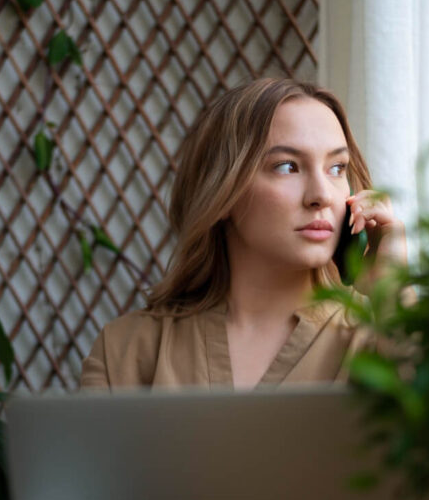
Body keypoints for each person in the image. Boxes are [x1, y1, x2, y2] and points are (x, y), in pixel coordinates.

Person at [80, 78, 406, 390]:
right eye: (287, 166)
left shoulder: (379, 339)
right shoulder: (124, 351)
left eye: (337, 168)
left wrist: (392, 283)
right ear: (222, 193)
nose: (322, 195)